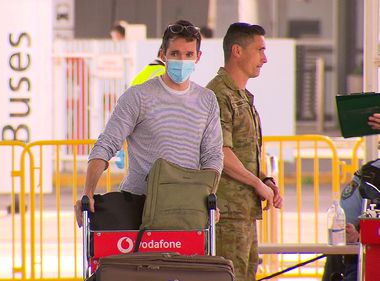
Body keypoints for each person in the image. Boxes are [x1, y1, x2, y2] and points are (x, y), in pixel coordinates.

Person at [75, 19, 224, 227]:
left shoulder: (207, 100)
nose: (182, 60)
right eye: (175, 54)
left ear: (198, 57)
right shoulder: (138, 96)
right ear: (163, 55)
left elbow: (212, 155)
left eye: (188, 55)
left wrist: (208, 197)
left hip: (186, 209)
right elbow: (106, 143)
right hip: (139, 206)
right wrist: (87, 193)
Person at [205, 22, 283, 281]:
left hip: (243, 213)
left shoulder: (241, 96)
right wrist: (257, 185)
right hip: (225, 216)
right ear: (237, 51)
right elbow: (220, 153)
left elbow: (242, 154)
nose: (265, 58)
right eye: (260, 50)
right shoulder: (218, 95)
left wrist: (265, 180)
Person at [322, 171, 362, 281]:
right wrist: (357, 238)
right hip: (364, 258)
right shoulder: (370, 176)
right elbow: (344, 228)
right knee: (339, 247)